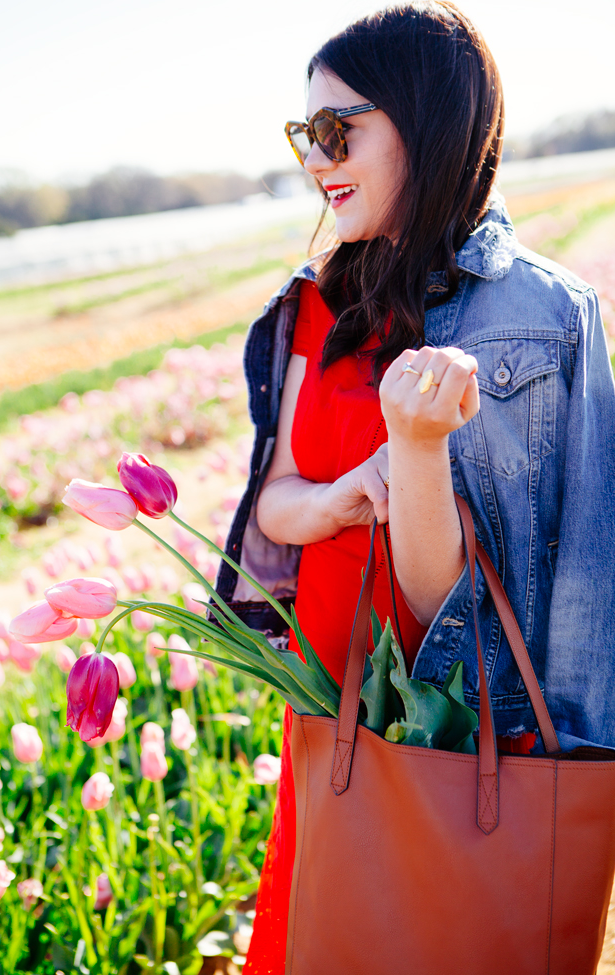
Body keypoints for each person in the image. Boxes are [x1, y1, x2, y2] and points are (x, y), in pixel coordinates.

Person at [214, 2, 615, 970]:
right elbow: (272, 502)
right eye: (304, 134)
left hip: (462, 726)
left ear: (427, 120)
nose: (315, 158)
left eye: (336, 128)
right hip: (330, 707)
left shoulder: (541, 318)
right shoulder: (313, 302)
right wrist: (343, 494)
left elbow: (507, 599)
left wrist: (418, 450)